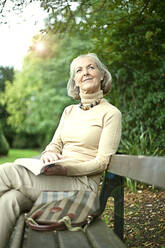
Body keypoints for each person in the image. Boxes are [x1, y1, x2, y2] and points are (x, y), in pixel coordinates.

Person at [0, 53, 121, 248]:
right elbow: (54, 144)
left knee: (7, 172)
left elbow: (102, 162)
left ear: (102, 75)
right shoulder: (69, 111)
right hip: (56, 179)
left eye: (91, 67)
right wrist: (49, 154)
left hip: (82, 185)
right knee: (9, 200)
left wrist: (66, 169)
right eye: (79, 70)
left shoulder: (111, 113)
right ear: (75, 81)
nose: (86, 72)